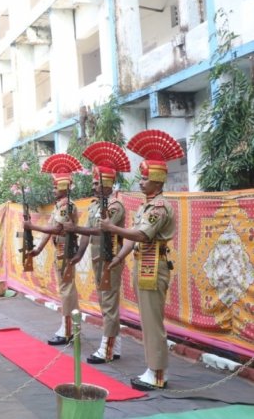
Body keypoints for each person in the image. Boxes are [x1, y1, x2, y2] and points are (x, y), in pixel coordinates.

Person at [99, 130, 184, 391]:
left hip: (153, 265)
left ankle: (158, 373)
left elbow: (140, 233)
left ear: (157, 181)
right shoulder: (146, 206)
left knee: (152, 321)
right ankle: (152, 368)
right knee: (147, 320)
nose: (140, 182)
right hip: (143, 264)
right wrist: (118, 258)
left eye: (145, 178)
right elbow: (133, 240)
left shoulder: (159, 207)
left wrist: (112, 229)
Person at [64, 141, 130, 364]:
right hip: (96, 259)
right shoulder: (94, 206)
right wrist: (79, 253)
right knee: (104, 301)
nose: (93, 187)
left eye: (97, 183)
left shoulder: (115, 206)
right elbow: (87, 234)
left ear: (107, 184)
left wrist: (75, 228)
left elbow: (100, 229)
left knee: (109, 302)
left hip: (110, 258)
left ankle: (107, 349)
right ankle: (115, 344)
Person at [24, 153, 83, 346]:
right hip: (60, 250)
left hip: (65, 250)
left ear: (64, 187)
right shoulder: (60, 206)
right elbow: (50, 229)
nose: (53, 188)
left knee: (66, 290)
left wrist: (32, 227)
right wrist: (38, 249)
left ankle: (68, 330)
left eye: (56, 185)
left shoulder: (66, 207)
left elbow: (56, 229)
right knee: (65, 289)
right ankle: (72, 327)